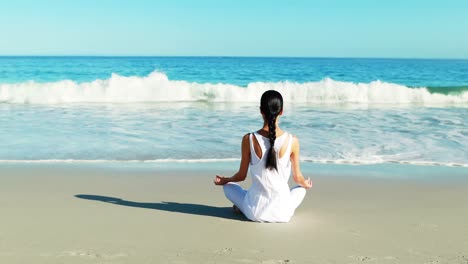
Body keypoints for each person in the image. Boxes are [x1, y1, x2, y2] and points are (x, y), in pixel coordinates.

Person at [214, 90, 312, 223]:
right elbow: (297, 178)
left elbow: (241, 176)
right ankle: (251, 206)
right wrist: (305, 183)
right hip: (283, 213)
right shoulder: (292, 140)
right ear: (281, 111)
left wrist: (226, 180)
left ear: (261, 111)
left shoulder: (248, 139)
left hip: (254, 212)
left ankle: (242, 208)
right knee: (301, 189)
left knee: (228, 187)